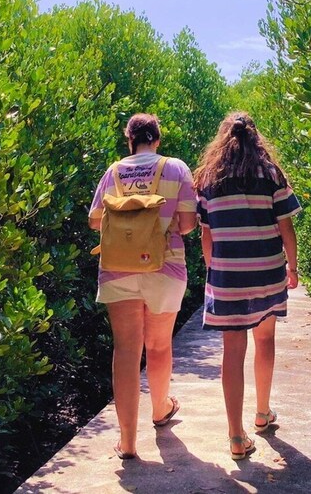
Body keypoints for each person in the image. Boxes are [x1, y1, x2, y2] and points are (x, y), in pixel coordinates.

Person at [193, 112, 301, 460]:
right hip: (267, 271)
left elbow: (205, 235)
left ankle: (236, 437)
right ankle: (262, 412)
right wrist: (293, 267)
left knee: (232, 352)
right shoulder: (271, 174)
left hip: (228, 277)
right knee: (265, 339)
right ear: (256, 139)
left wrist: (216, 272)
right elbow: (286, 228)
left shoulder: (209, 179)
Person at [89, 113, 197, 459]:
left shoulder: (114, 171)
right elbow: (189, 223)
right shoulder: (176, 168)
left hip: (117, 267)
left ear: (129, 140)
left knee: (126, 350)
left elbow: (94, 221)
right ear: (158, 140)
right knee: (159, 345)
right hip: (165, 267)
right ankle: (160, 409)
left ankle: (128, 442)